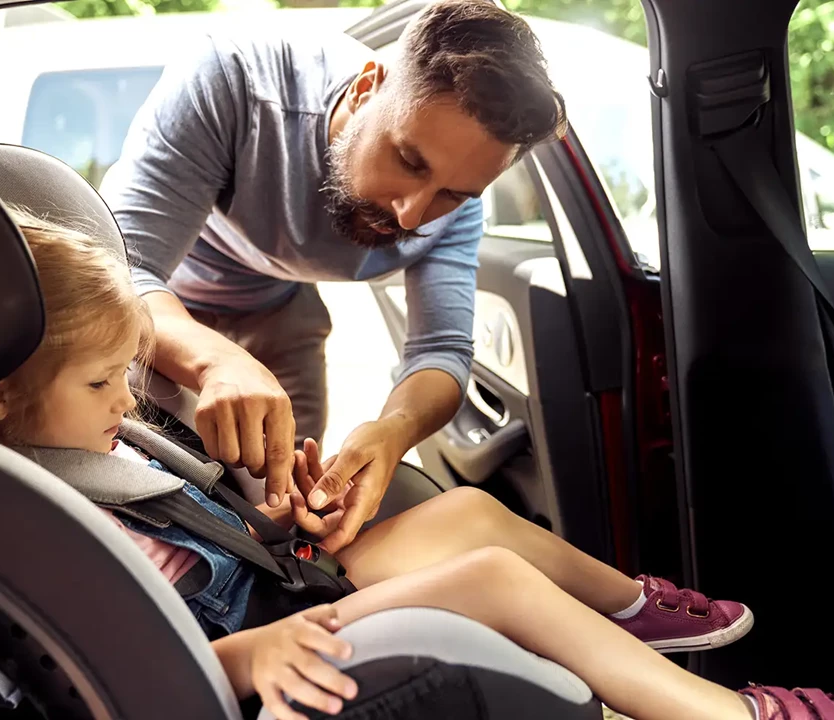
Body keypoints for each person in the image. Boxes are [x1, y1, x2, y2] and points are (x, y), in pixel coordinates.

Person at [0, 209, 834, 720]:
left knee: (466, 517)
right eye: (106, 383)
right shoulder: (11, 523)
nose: (128, 403)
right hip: (243, 647)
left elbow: (200, 547)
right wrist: (249, 653)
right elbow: (90, 669)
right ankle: (724, 719)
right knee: (484, 578)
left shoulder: (78, 450)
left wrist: (279, 518)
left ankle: (634, 614)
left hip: (270, 593)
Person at [100, 0, 569, 551]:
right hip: (160, 294)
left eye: (451, 195)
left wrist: (393, 432)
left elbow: (441, 351)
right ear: (365, 87)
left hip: (278, 303)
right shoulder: (236, 80)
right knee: (143, 492)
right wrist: (215, 359)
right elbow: (121, 272)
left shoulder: (459, 207)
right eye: (410, 162)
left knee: (286, 516)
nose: (412, 216)